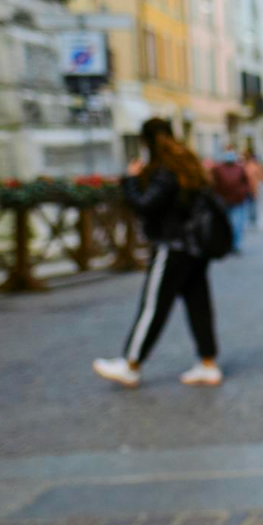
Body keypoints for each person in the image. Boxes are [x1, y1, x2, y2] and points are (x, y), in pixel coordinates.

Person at [93, 118, 222, 388]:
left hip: (172, 246)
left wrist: (130, 180)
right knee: (199, 305)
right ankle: (207, 363)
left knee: (153, 307)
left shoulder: (165, 170)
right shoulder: (188, 162)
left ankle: (131, 363)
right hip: (196, 248)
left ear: (147, 141)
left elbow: (145, 205)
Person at [210, 147, 252, 253]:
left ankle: (235, 245)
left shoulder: (240, 168)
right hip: (223, 202)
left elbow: (246, 182)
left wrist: (244, 193)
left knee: (237, 224)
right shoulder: (218, 168)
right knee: (225, 225)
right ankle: (226, 245)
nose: (229, 155)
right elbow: (213, 184)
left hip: (238, 201)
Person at [241, 150, 263, 228]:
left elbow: (260, 177)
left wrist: (258, 185)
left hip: (252, 189)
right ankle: (247, 220)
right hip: (244, 190)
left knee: (252, 205)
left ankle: (253, 221)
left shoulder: (254, 166)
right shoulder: (242, 166)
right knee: (245, 205)